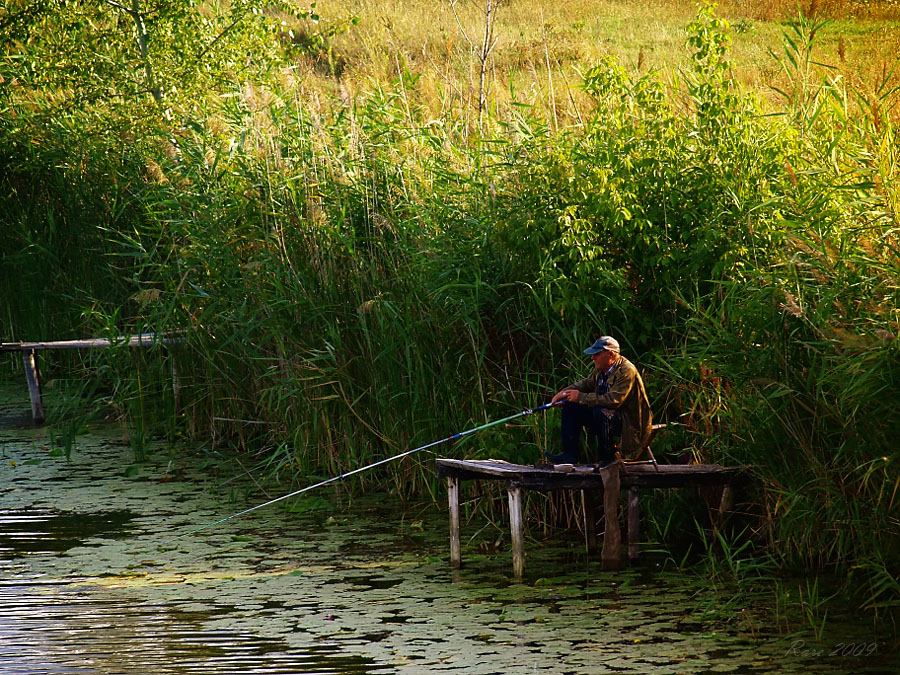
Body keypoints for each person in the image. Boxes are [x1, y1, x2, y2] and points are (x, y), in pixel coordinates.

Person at [546, 336, 652, 466]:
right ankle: (569, 456)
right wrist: (564, 393)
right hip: (605, 416)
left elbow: (614, 400)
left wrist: (581, 397)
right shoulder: (601, 368)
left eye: (597, 354)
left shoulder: (626, 370)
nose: (592, 358)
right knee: (570, 407)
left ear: (611, 354)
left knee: (601, 412)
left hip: (628, 423)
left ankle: (606, 460)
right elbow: (586, 383)